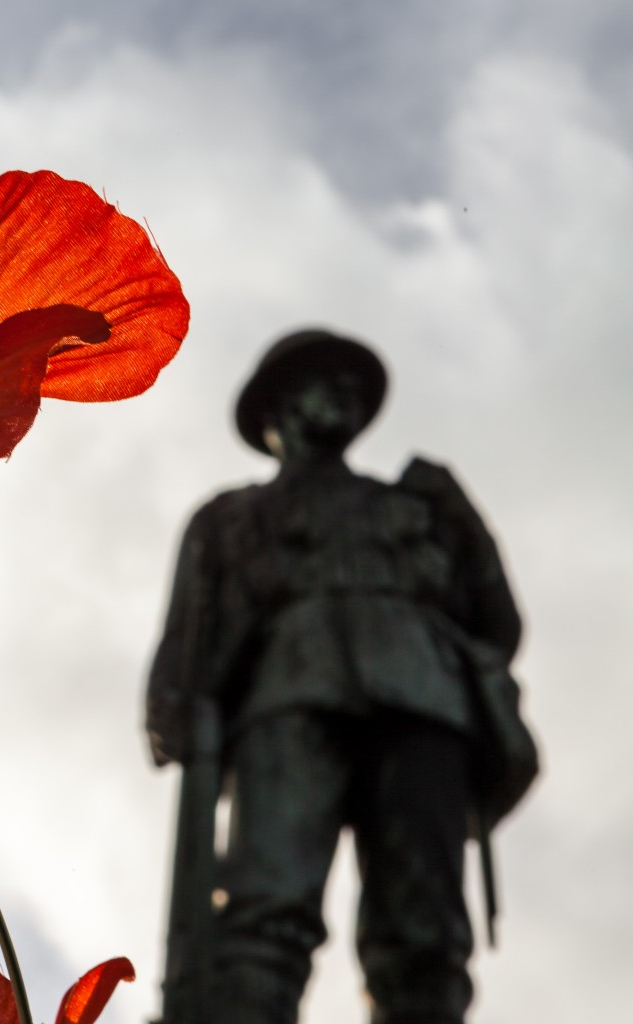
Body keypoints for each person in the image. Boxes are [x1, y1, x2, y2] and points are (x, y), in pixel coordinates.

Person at [146, 329, 537, 1024]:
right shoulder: (228, 517)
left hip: (424, 701)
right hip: (289, 701)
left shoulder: (419, 505)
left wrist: (463, 522)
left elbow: (498, 629)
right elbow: (185, 650)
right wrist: (175, 712)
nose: (347, 397)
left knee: (425, 935)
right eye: (325, 382)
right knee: (265, 915)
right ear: (277, 412)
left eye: (354, 388)